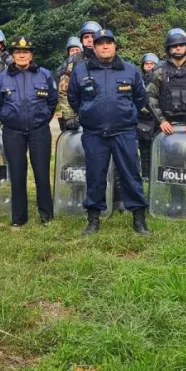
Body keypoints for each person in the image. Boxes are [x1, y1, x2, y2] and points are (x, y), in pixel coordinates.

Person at [67, 29, 150, 236]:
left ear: (115, 46)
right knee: (95, 176)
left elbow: (140, 99)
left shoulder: (130, 70)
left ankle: (139, 219)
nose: (105, 47)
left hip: (124, 132)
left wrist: (126, 114)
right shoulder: (81, 71)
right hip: (94, 134)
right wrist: (88, 113)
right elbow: (74, 98)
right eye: (100, 43)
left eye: (109, 43)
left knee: (131, 175)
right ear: (93, 48)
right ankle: (93, 220)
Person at [0, 36, 58, 228]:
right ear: (12, 55)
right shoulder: (1, 77)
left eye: (26, 52)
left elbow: (52, 101)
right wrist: (6, 116)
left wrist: (44, 116)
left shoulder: (45, 75)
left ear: (31, 55)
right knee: (18, 174)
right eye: (18, 52)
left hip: (39, 131)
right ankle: (19, 219)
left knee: (42, 174)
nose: (22, 55)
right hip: (13, 132)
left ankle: (47, 217)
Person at [56, 21, 102, 131]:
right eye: (86, 37)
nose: (90, 39)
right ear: (81, 40)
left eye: (93, 36)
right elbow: (63, 91)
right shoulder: (73, 61)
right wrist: (69, 116)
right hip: (79, 118)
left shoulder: (109, 59)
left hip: (105, 118)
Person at [136, 53, 160, 179]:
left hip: (156, 117)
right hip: (141, 117)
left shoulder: (160, 77)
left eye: (152, 64)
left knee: (157, 147)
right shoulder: (138, 78)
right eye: (147, 64)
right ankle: (145, 174)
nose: (149, 66)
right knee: (144, 148)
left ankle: (156, 172)